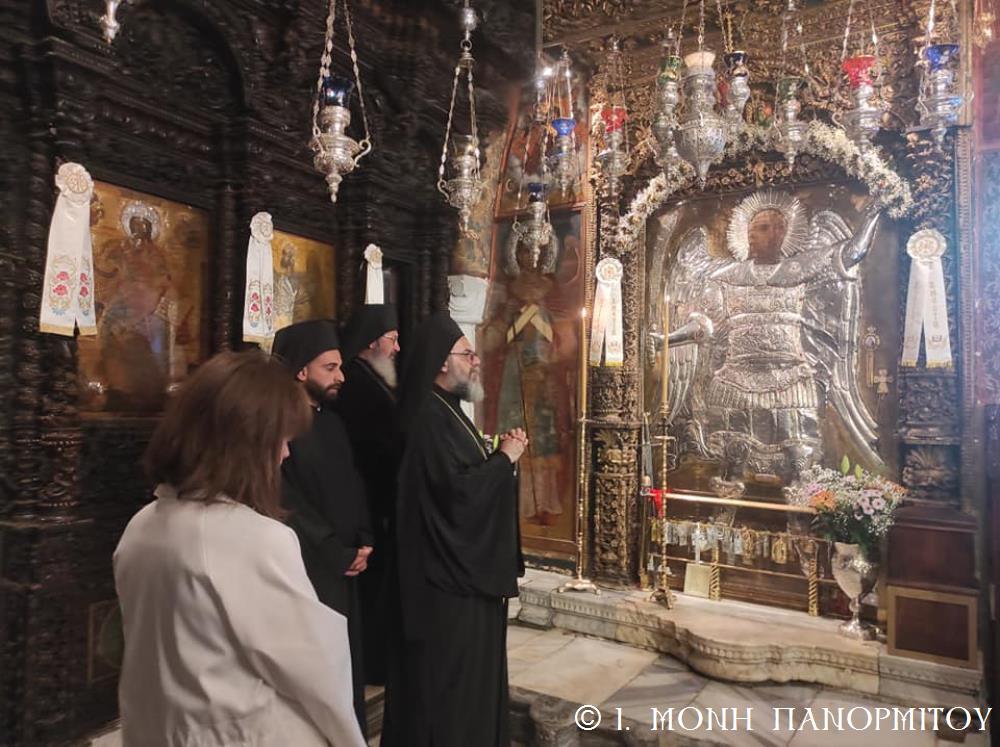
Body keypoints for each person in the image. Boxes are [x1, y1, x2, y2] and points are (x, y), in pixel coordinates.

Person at [113, 350, 365, 747]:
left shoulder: (142, 525)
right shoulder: (254, 539)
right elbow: (314, 672)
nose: (286, 454)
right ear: (246, 442)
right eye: (280, 439)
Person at [382, 312, 527, 747]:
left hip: (459, 579)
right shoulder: (428, 417)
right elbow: (457, 499)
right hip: (446, 587)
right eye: (467, 354)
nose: (476, 362)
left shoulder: (448, 410)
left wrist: (498, 457)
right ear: (442, 363)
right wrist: (505, 459)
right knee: (448, 690)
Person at [273, 319, 373, 738]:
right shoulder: (278, 428)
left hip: (347, 562)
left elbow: (354, 482)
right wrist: (334, 549)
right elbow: (285, 499)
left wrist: (365, 537)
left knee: (345, 666)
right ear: (300, 371)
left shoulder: (331, 421)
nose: (341, 376)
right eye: (330, 368)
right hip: (309, 566)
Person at [338, 304, 400, 686]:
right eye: (392, 339)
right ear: (373, 341)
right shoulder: (356, 385)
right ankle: (371, 663)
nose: (396, 348)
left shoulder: (374, 378)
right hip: (367, 505)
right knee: (371, 591)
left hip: (379, 503)